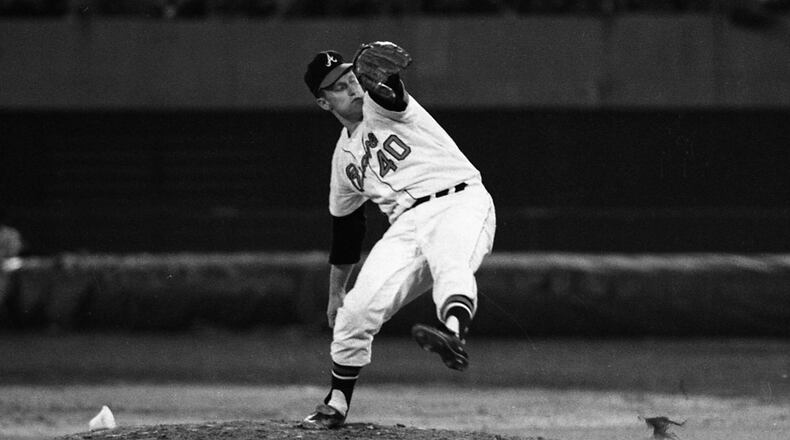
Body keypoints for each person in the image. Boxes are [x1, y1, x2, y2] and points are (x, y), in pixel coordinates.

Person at [300, 41, 496, 429]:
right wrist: (336, 291)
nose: (351, 87)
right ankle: (337, 401)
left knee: (451, 263)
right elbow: (347, 229)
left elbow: (391, 93)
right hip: (405, 226)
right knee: (357, 310)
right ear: (323, 103)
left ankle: (453, 333)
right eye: (338, 86)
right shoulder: (343, 161)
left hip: (459, 201)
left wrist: (385, 76)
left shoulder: (381, 105)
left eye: (352, 77)